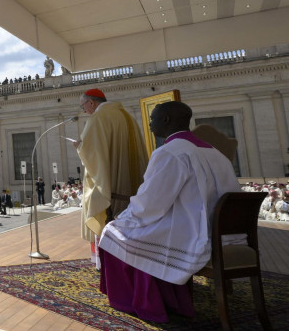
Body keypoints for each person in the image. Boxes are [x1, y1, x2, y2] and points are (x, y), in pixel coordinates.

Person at [97, 101, 241, 323]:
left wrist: (121, 218)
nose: (151, 124)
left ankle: (148, 302)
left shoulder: (170, 153)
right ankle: (171, 295)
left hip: (194, 236)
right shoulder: (216, 154)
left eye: (153, 119)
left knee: (112, 232)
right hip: (226, 236)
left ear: (165, 120)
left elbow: (149, 205)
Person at [74, 88, 148, 251]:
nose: (84, 110)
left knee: (111, 232)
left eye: (83, 106)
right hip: (133, 186)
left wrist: (80, 147)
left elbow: (92, 155)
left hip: (112, 188)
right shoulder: (126, 115)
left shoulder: (97, 118)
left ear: (91, 102)